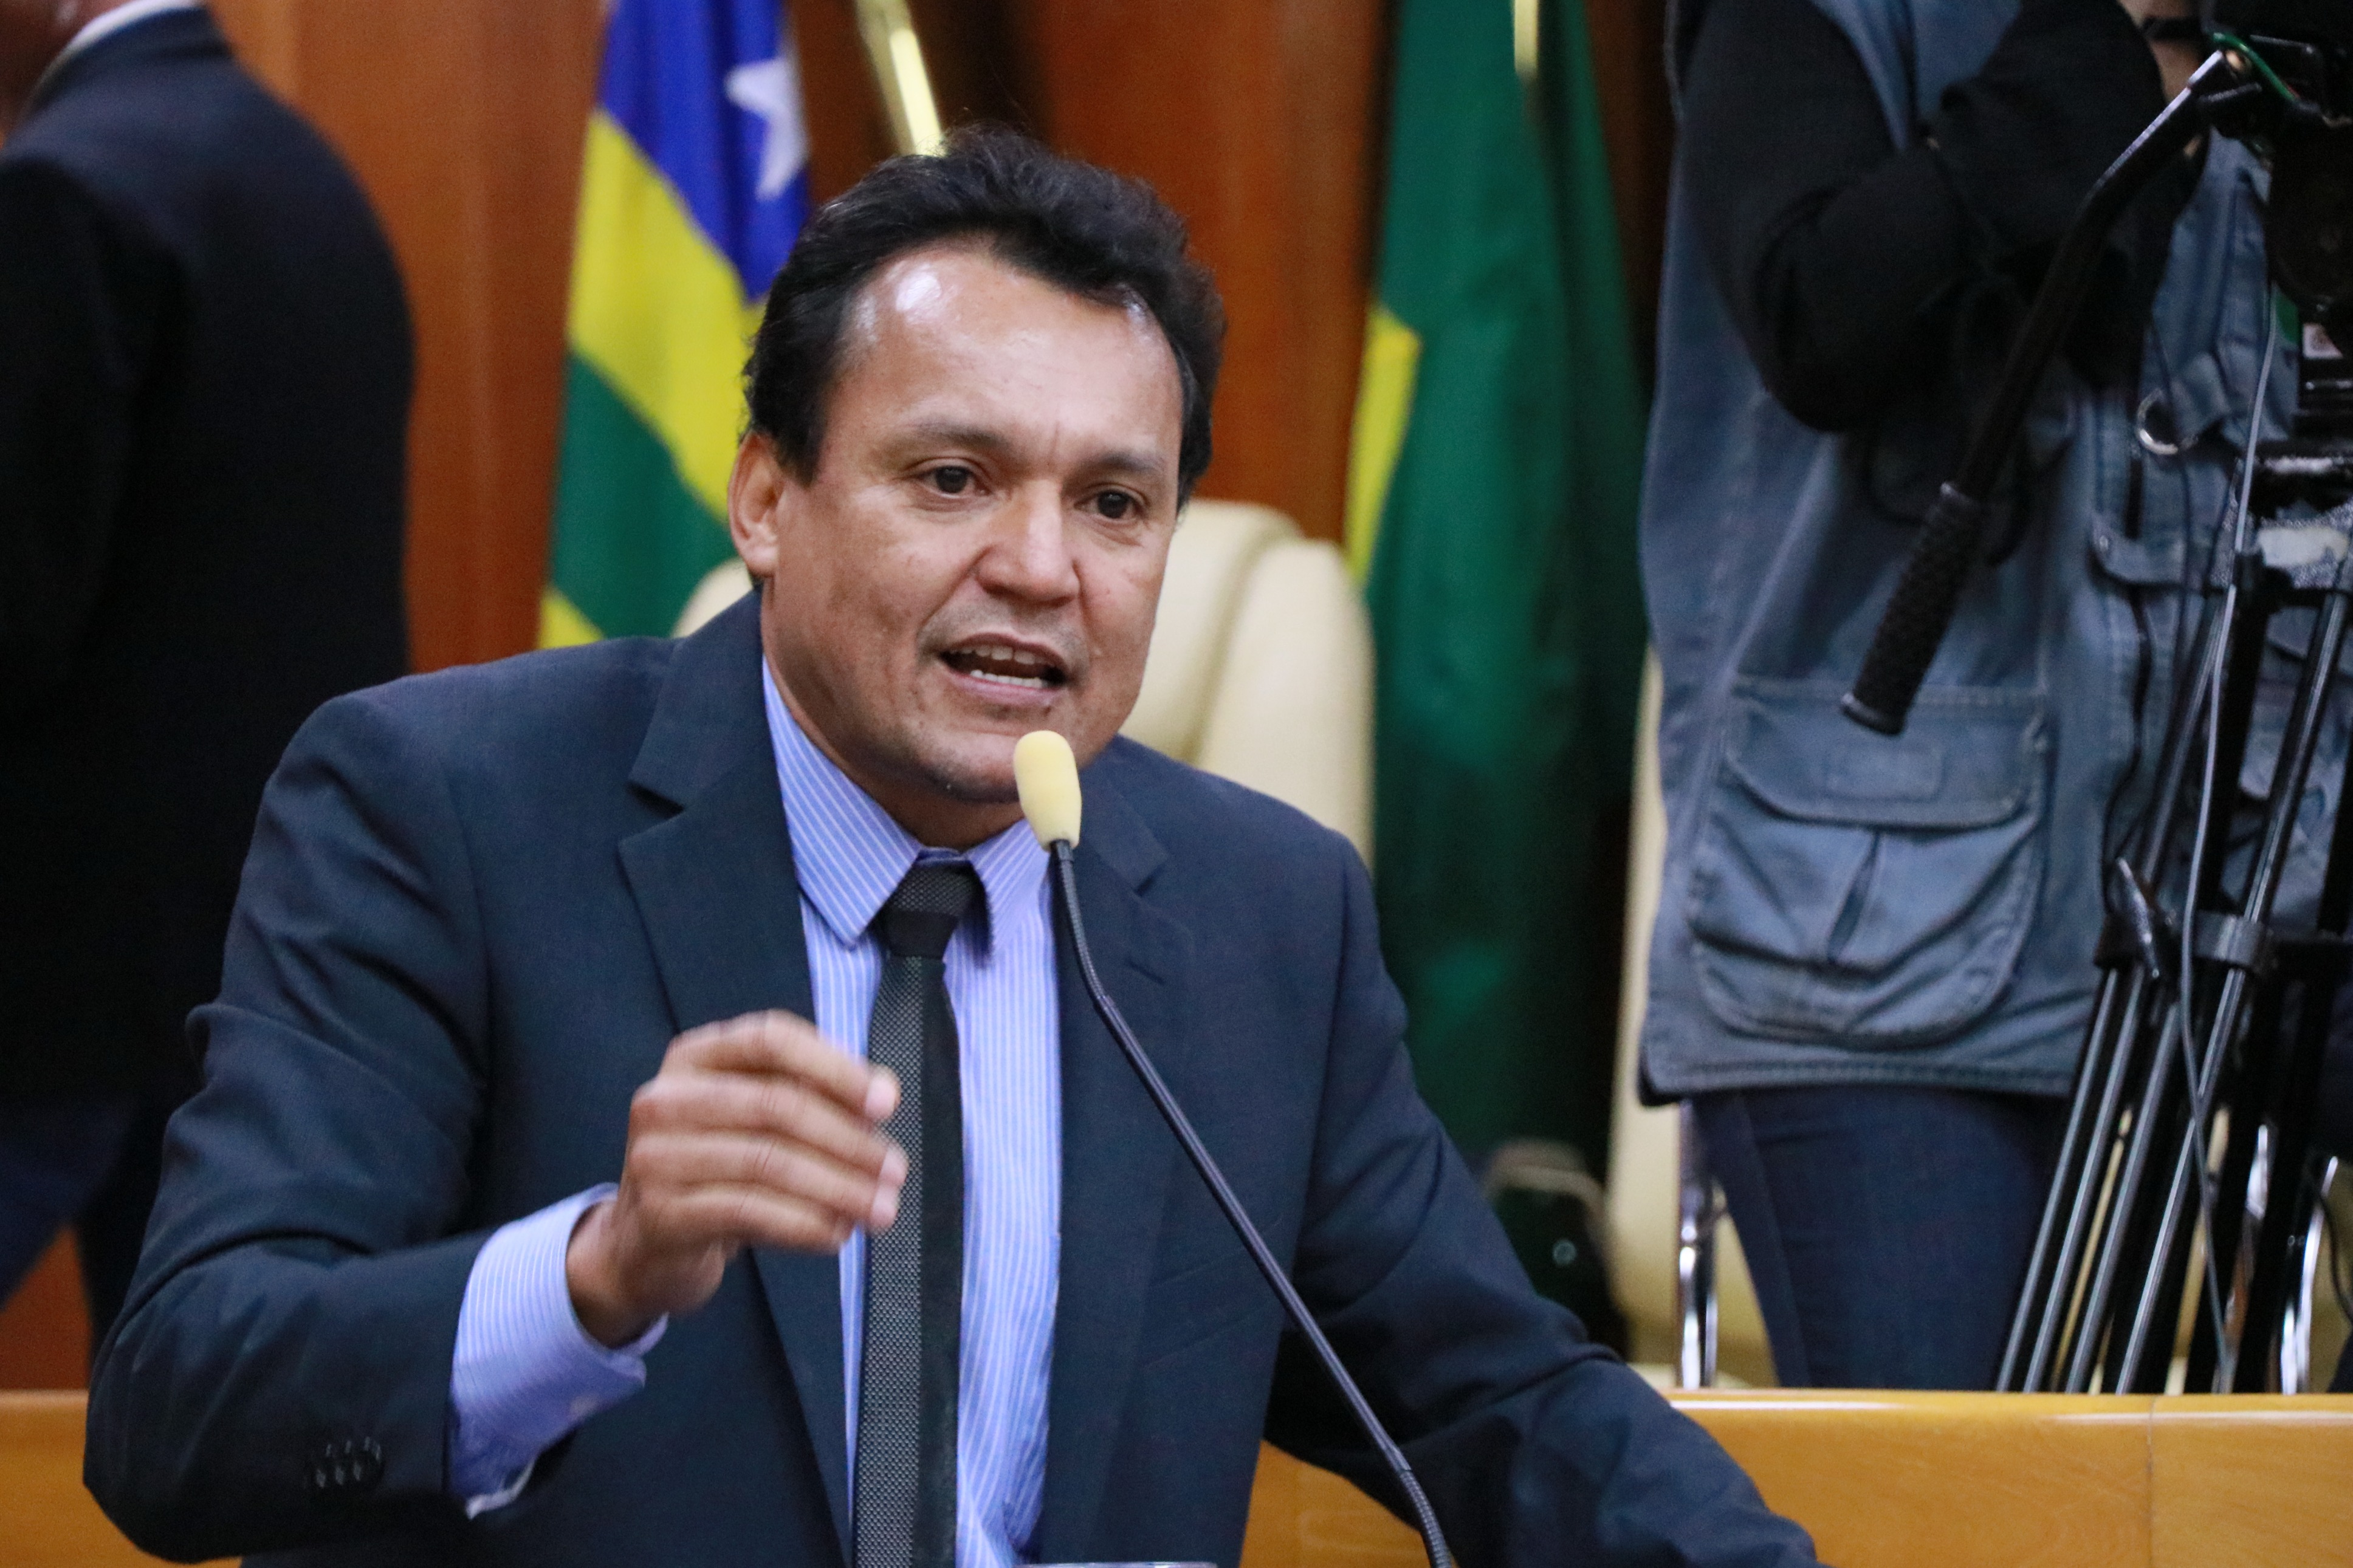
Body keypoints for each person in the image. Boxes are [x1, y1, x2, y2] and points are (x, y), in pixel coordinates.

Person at [86, 131, 1819, 1568]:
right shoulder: (445, 807)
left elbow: (1494, 1403)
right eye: (953, 478)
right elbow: (179, 1412)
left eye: (1115, 503)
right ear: (767, 498)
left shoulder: (1259, 914)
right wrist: (595, 1276)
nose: (1042, 567)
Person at [1637, 0, 2303, 1389]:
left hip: (2245, 866)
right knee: (1960, 1488)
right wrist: (2105, 48)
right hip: (1875, 944)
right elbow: (1821, 312)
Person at [0, 0, 410, 1342]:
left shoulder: (61, 188)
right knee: (196, 1406)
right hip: (264, 950)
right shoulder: (300, 169)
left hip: (56, 965)